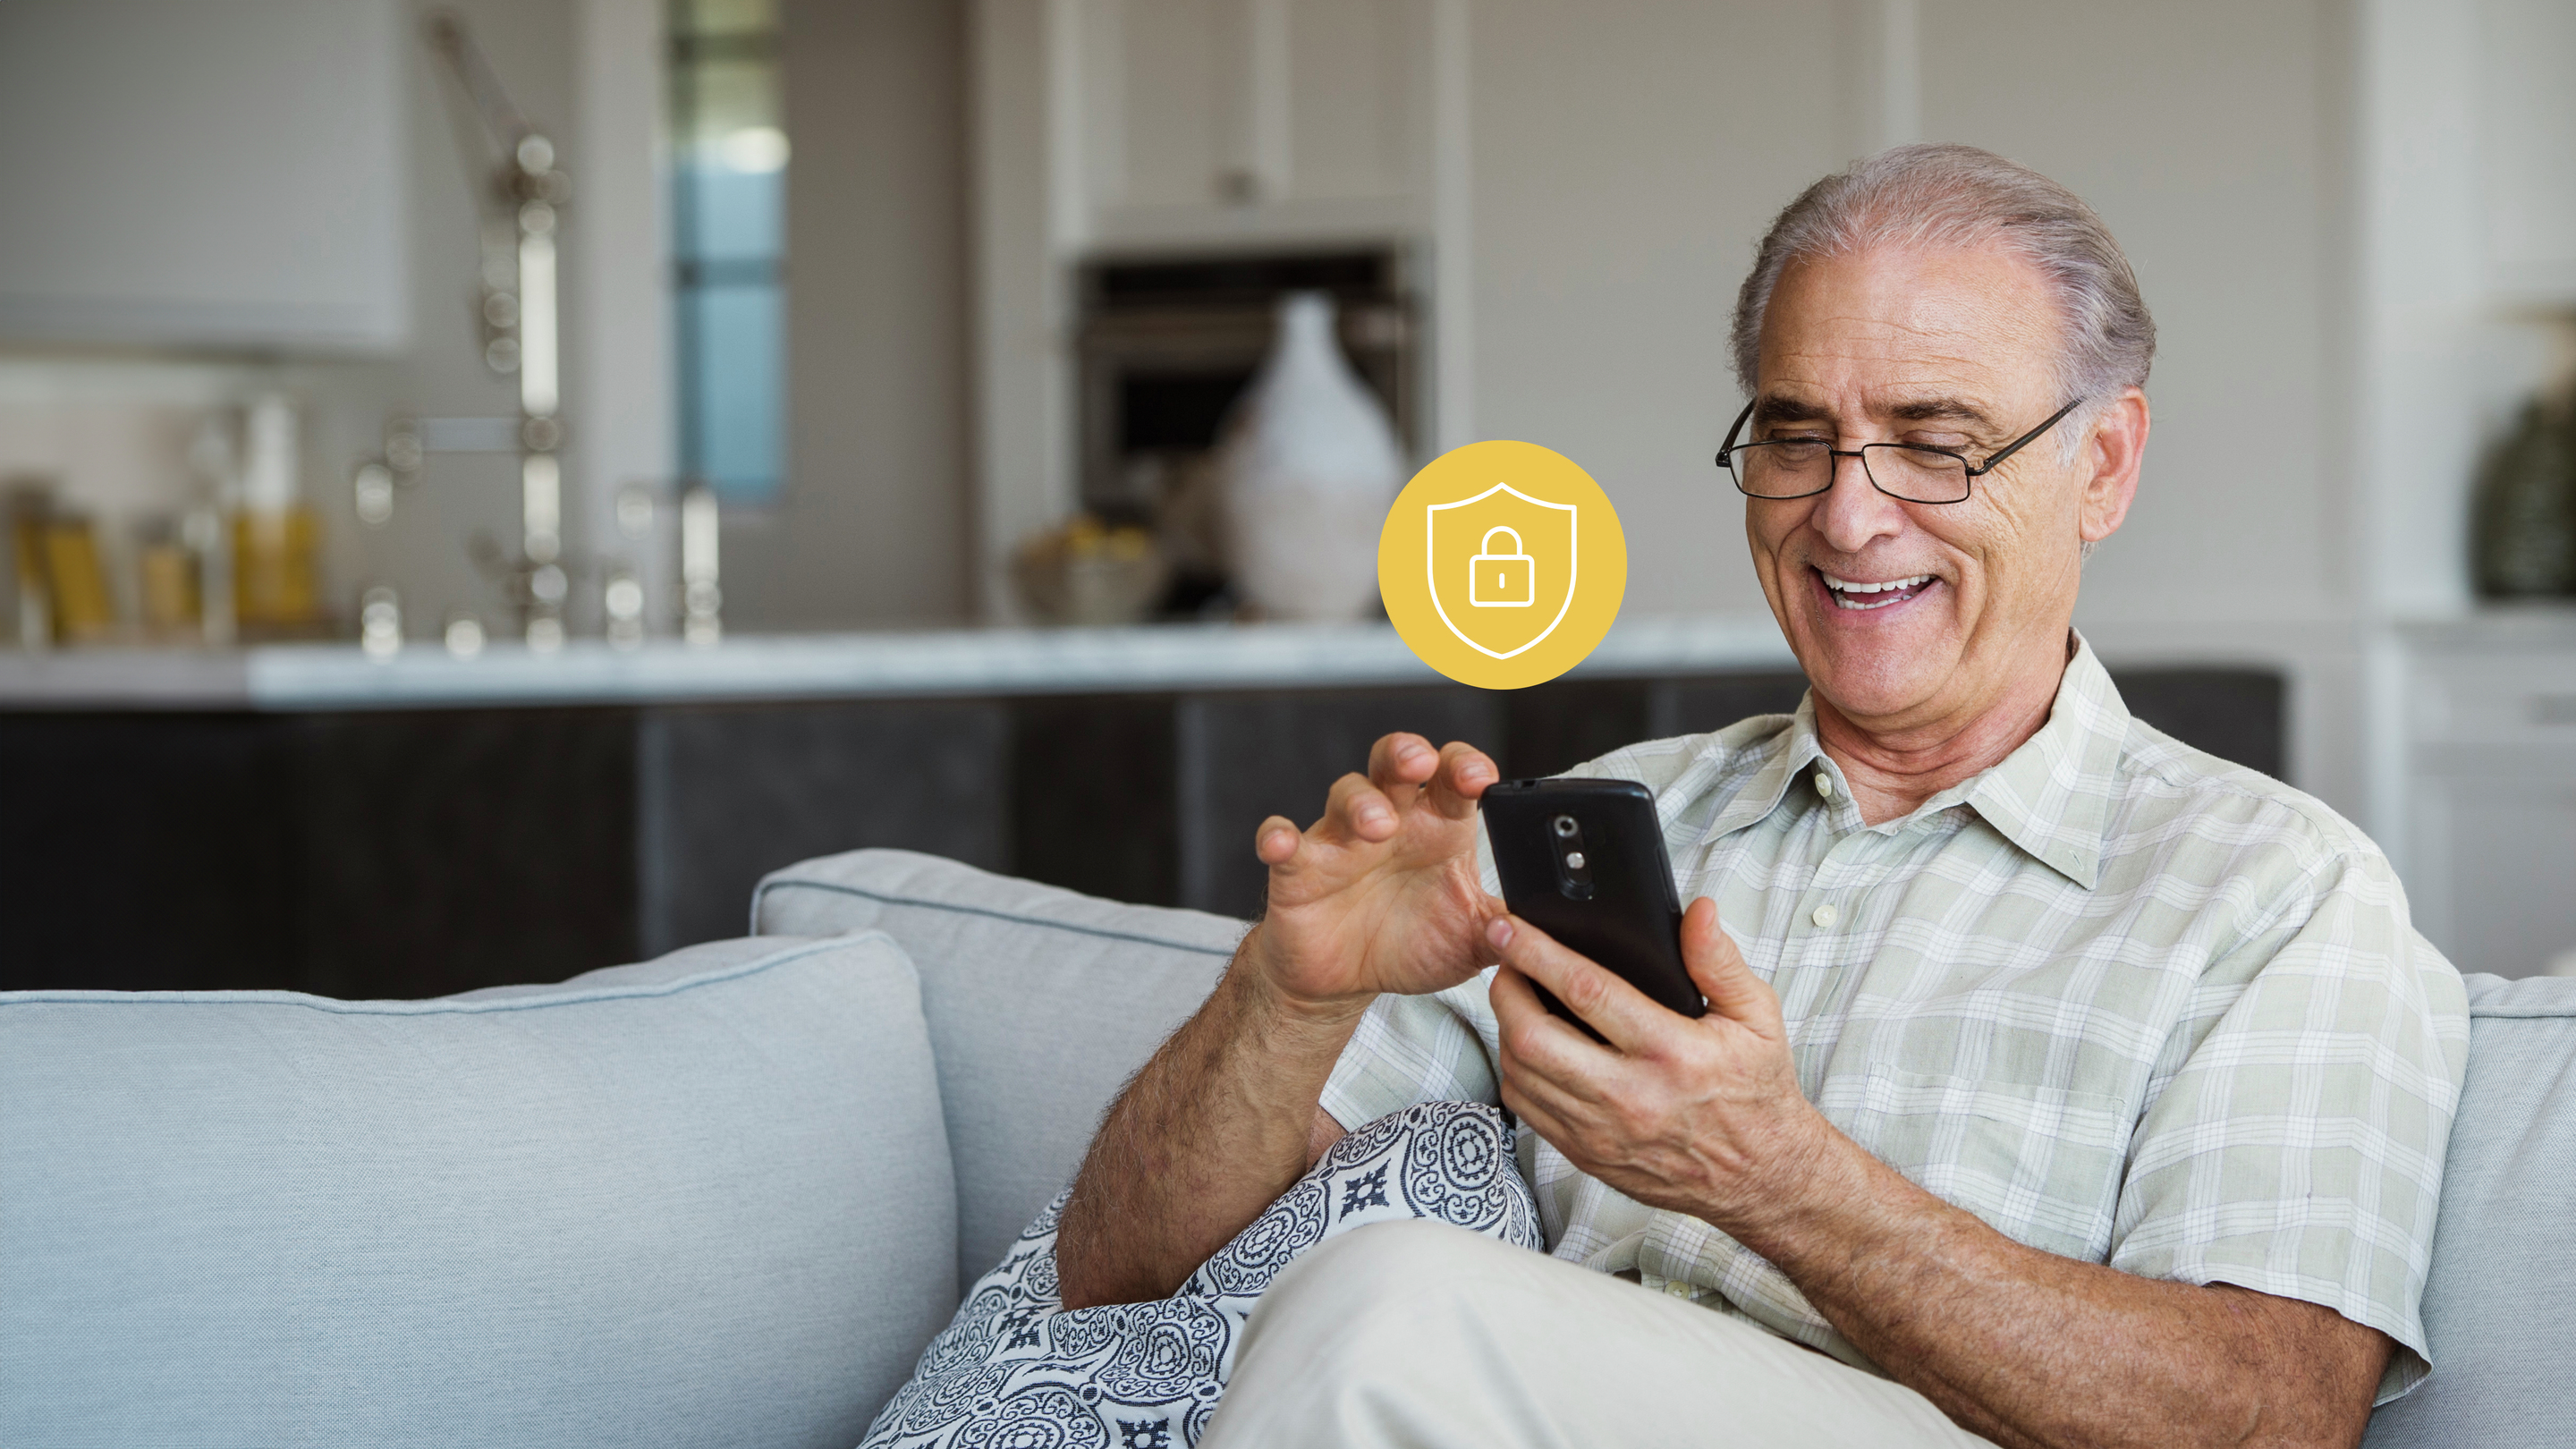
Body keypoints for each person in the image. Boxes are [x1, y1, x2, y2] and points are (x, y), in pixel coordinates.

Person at [1054, 144, 2469, 1448]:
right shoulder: (1608, 826)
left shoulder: (2278, 891)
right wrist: (1285, 1000)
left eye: (1936, 440)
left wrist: (1771, 1175)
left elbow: (2274, 1416)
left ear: (2101, 465)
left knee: (1396, 1303)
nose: (1846, 516)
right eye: (1797, 436)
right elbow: (1120, 1277)